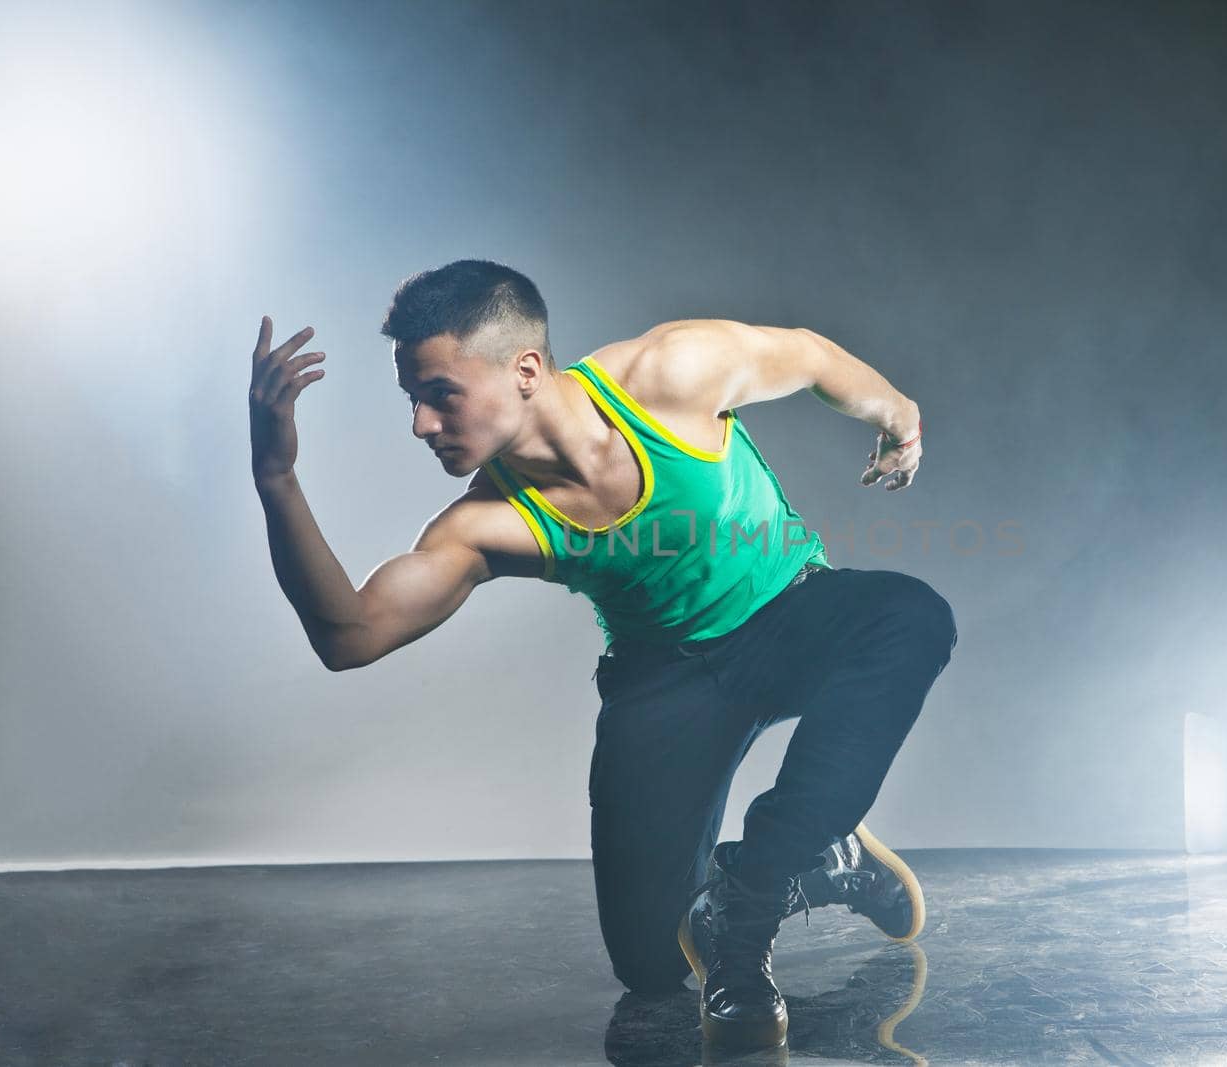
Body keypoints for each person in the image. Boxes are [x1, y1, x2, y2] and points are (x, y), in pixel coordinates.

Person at [247, 259, 957, 1050]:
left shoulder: (671, 373)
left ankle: (755, 889)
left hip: (790, 612)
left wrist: (901, 417)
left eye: (440, 392)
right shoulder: (487, 523)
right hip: (666, 679)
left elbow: (811, 355)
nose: (421, 422)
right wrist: (276, 477)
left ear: (524, 370)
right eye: (413, 398)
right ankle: (826, 855)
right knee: (653, 962)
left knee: (910, 617)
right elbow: (350, 636)